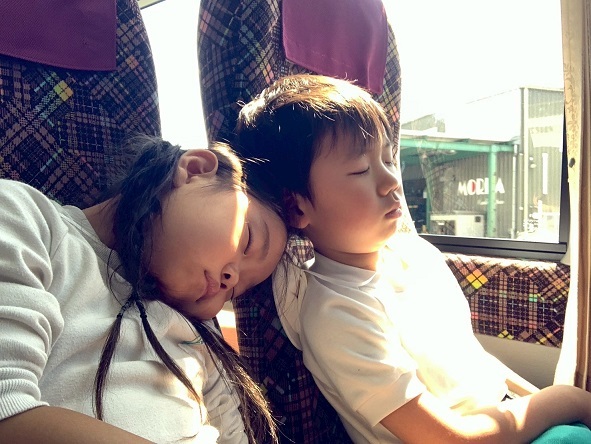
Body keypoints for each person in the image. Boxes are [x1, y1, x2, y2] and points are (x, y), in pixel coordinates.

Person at [233, 74, 591, 443]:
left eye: (389, 159)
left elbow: (477, 367)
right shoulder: (336, 313)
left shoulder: (415, 256)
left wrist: (547, 402)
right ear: (297, 207)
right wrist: (568, 400)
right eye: (360, 170)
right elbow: (452, 440)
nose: (392, 182)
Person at [0, 135, 286, 443]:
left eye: (236, 291)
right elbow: (8, 407)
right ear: (195, 169)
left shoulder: (199, 338)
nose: (231, 280)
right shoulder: (27, 219)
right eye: (247, 240)